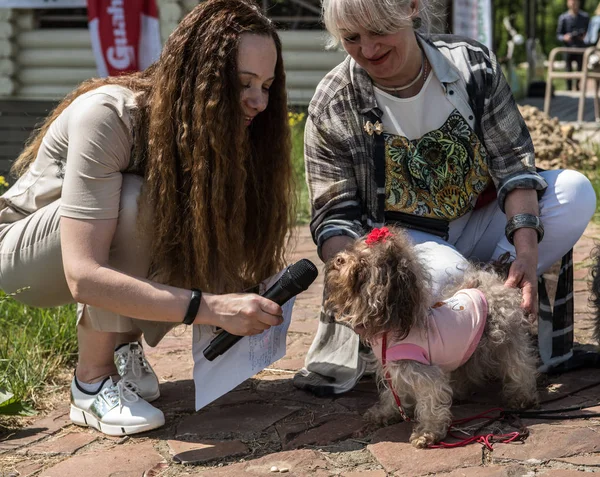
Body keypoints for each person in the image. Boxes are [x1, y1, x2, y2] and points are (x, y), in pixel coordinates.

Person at [0, 0, 295, 436]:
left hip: (89, 243)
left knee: (168, 204)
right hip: (20, 256)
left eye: (267, 86)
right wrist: (211, 308)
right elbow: (83, 274)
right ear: (198, 76)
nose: (259, 101)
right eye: (243, 82)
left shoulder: (220, 130)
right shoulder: (110, 115)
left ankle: (122, 346)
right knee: (136, 198)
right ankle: (92, 382)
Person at [292, 0, 597, 396]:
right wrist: (356, 283)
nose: (368, 50)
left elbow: (513, 163)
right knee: (449, 274)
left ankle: (495, 294)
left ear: (411, 8)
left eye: (378, 30)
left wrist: (525, 249)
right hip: (406, 249)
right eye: (351, 38)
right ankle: (455, 339)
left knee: (575, 191)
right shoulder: (333, 103)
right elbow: (335, 217)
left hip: (480, 219)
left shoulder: (472, 65)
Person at [557, 0, 590, 90]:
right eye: (571, 1)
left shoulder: (585, 17)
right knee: (568, 69)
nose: (573, 3)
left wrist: (584, 37)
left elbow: (589, 33)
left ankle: (578, 86)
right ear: (568, 3)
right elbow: (558, 35)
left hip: (580, 48)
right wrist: (565, 37)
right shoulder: (563, 17)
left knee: (580, 69)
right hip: (568, 48)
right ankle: (569, 88)